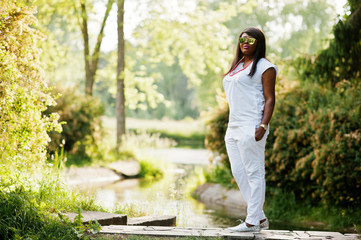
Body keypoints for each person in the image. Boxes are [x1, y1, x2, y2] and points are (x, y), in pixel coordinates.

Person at [223, 27, 277, 232]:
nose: (245, 42)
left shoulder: (265, 67)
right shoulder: (237, 65)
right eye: (242, 39)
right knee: (238, 171)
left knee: (254, 172)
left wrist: (263, 125)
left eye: (251, 40)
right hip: (233, 126)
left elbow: (270, 98)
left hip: (252, 125)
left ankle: (252, 222)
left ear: (259, 43)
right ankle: (260, 218)